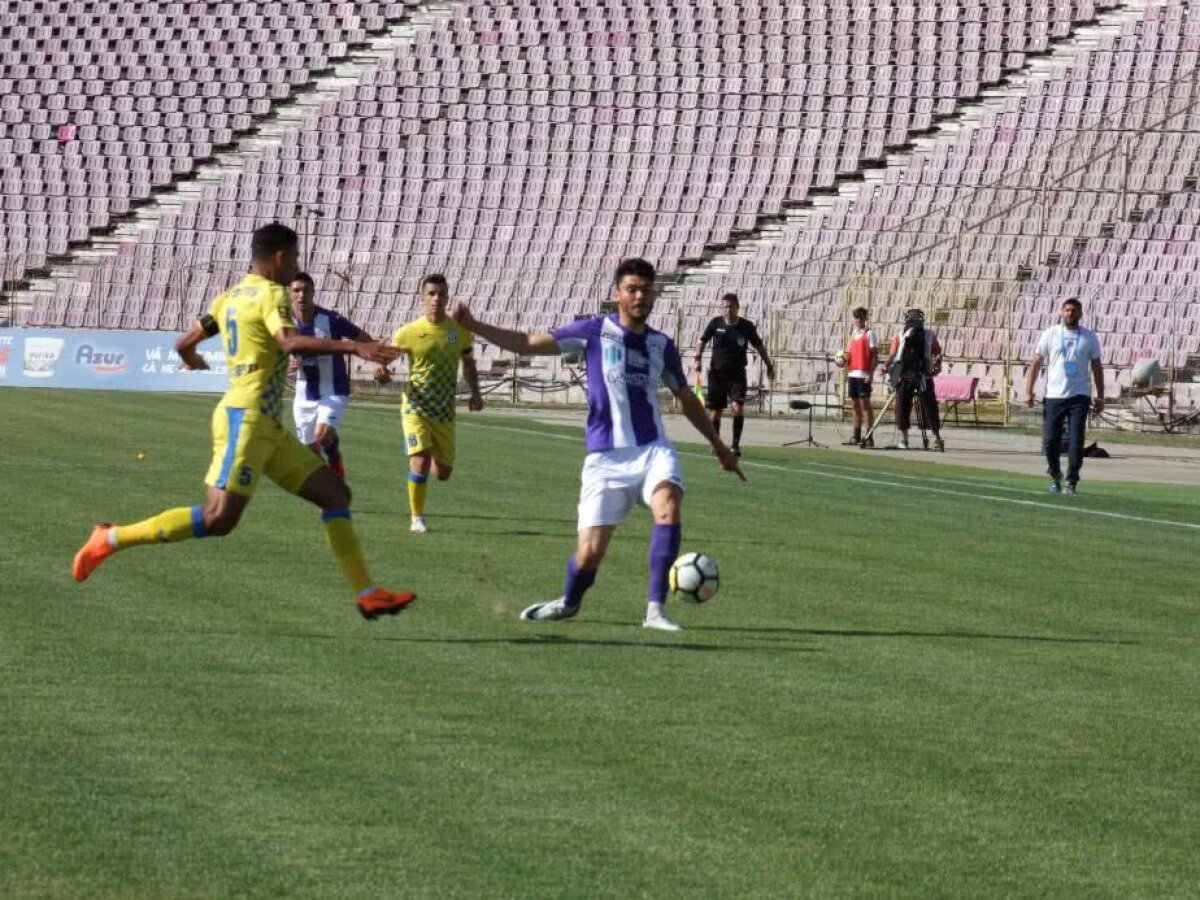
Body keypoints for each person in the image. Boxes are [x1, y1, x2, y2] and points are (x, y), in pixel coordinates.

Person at [72, 223, 416, 621]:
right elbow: (289, 342)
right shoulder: (273, 295)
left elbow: (184, 342)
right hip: (246, 419)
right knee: (219, 519)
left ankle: (368, 592)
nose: (297, 269)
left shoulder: (229, 298)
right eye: (296, 259)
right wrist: (355, 346)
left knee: (336, 495)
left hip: (265, 425)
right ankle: (110, 538)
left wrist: (191, 359)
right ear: (281, 258)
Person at [452, 258, 744, 632]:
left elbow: (685, 398)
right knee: (589, 555)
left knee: (668, 505)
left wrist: (718, 446)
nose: (640, 296)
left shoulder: (661, 345)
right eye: (632, 289)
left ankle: (655, 611)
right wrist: (474, 325)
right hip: (605, 459)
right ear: (617, 294)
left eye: (645, 290)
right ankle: (569, 601)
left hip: (652, 450)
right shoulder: (593, 332)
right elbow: (527, 344)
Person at [377, 274, 483, 534]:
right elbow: (383, 360)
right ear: (422, 297)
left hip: (444, 411)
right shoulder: (408, 332)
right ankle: (416, 518)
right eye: (431, 294)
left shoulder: (459, 332)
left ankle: (431, 451)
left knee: (443, 473)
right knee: (420, 461)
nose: (436, 299)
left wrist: (476, 393)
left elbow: (468, 364)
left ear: (447, 297)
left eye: (441, 294)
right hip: (416, 406)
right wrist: (379, 369)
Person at [289, 272, 374, 481]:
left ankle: (335, 458)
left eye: (305, 290)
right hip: (303, 395)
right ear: (290, 294)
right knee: (310, 450)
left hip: (333, 389)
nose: (301, 295)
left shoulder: (331, 319)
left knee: (323, 434)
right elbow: (273, 354)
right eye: (296, 291)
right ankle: (330, 486)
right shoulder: (284, 325)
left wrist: (375, 362)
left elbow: (365, 339)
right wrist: (285, 364)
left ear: (313, 293)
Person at [1024, 297, 1104, 494]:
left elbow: (1096, 367)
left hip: (1079, 396)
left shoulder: (1089, 337)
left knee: (1077, 440)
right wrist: (1028, 390)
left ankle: (1071, 480)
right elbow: (1036, 362)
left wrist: (1100, 395)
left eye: (1074, 310)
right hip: (1054, 396)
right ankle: (1054, 473)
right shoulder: (1051, 334)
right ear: (1061, 312)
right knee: (1050, 441)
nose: (1070, 313)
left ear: (1080, 313)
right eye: (1067, 310)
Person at [693, 292, 775, 457]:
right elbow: (702, 341)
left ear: (737, 307)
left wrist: (768, 364)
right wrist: (697, 359)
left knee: (737, 408)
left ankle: (735, 446)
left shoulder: (746, 326)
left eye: (731, 306)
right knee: (716, 412)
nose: (728, 309)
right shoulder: (715, 324)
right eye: (725, 306)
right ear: (721, 309)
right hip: (717, 373)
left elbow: (758, 345)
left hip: (737, 375)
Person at [880, 308, 944, 451]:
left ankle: (905, 439)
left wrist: (885, 366)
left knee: (904, 406)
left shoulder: (901, 335)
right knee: (929, 406)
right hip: (921, 375)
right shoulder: (928, 335)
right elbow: (937, 352)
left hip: (908, 375)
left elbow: (892, 354)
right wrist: (937, 365)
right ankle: (936, 438)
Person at [839, 306, 877, 447]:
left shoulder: (870, 333)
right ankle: (856, 435)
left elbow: (875, 355)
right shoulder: (854, 333)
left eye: (861, 317)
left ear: (865, 318)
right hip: (852, 373)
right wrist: (843, 360)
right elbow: (850, 353)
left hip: (863, 374)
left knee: (865, 405)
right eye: (856, 317)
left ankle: (869, 436)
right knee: (855, 405)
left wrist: (871, 374)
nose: (859, 320)